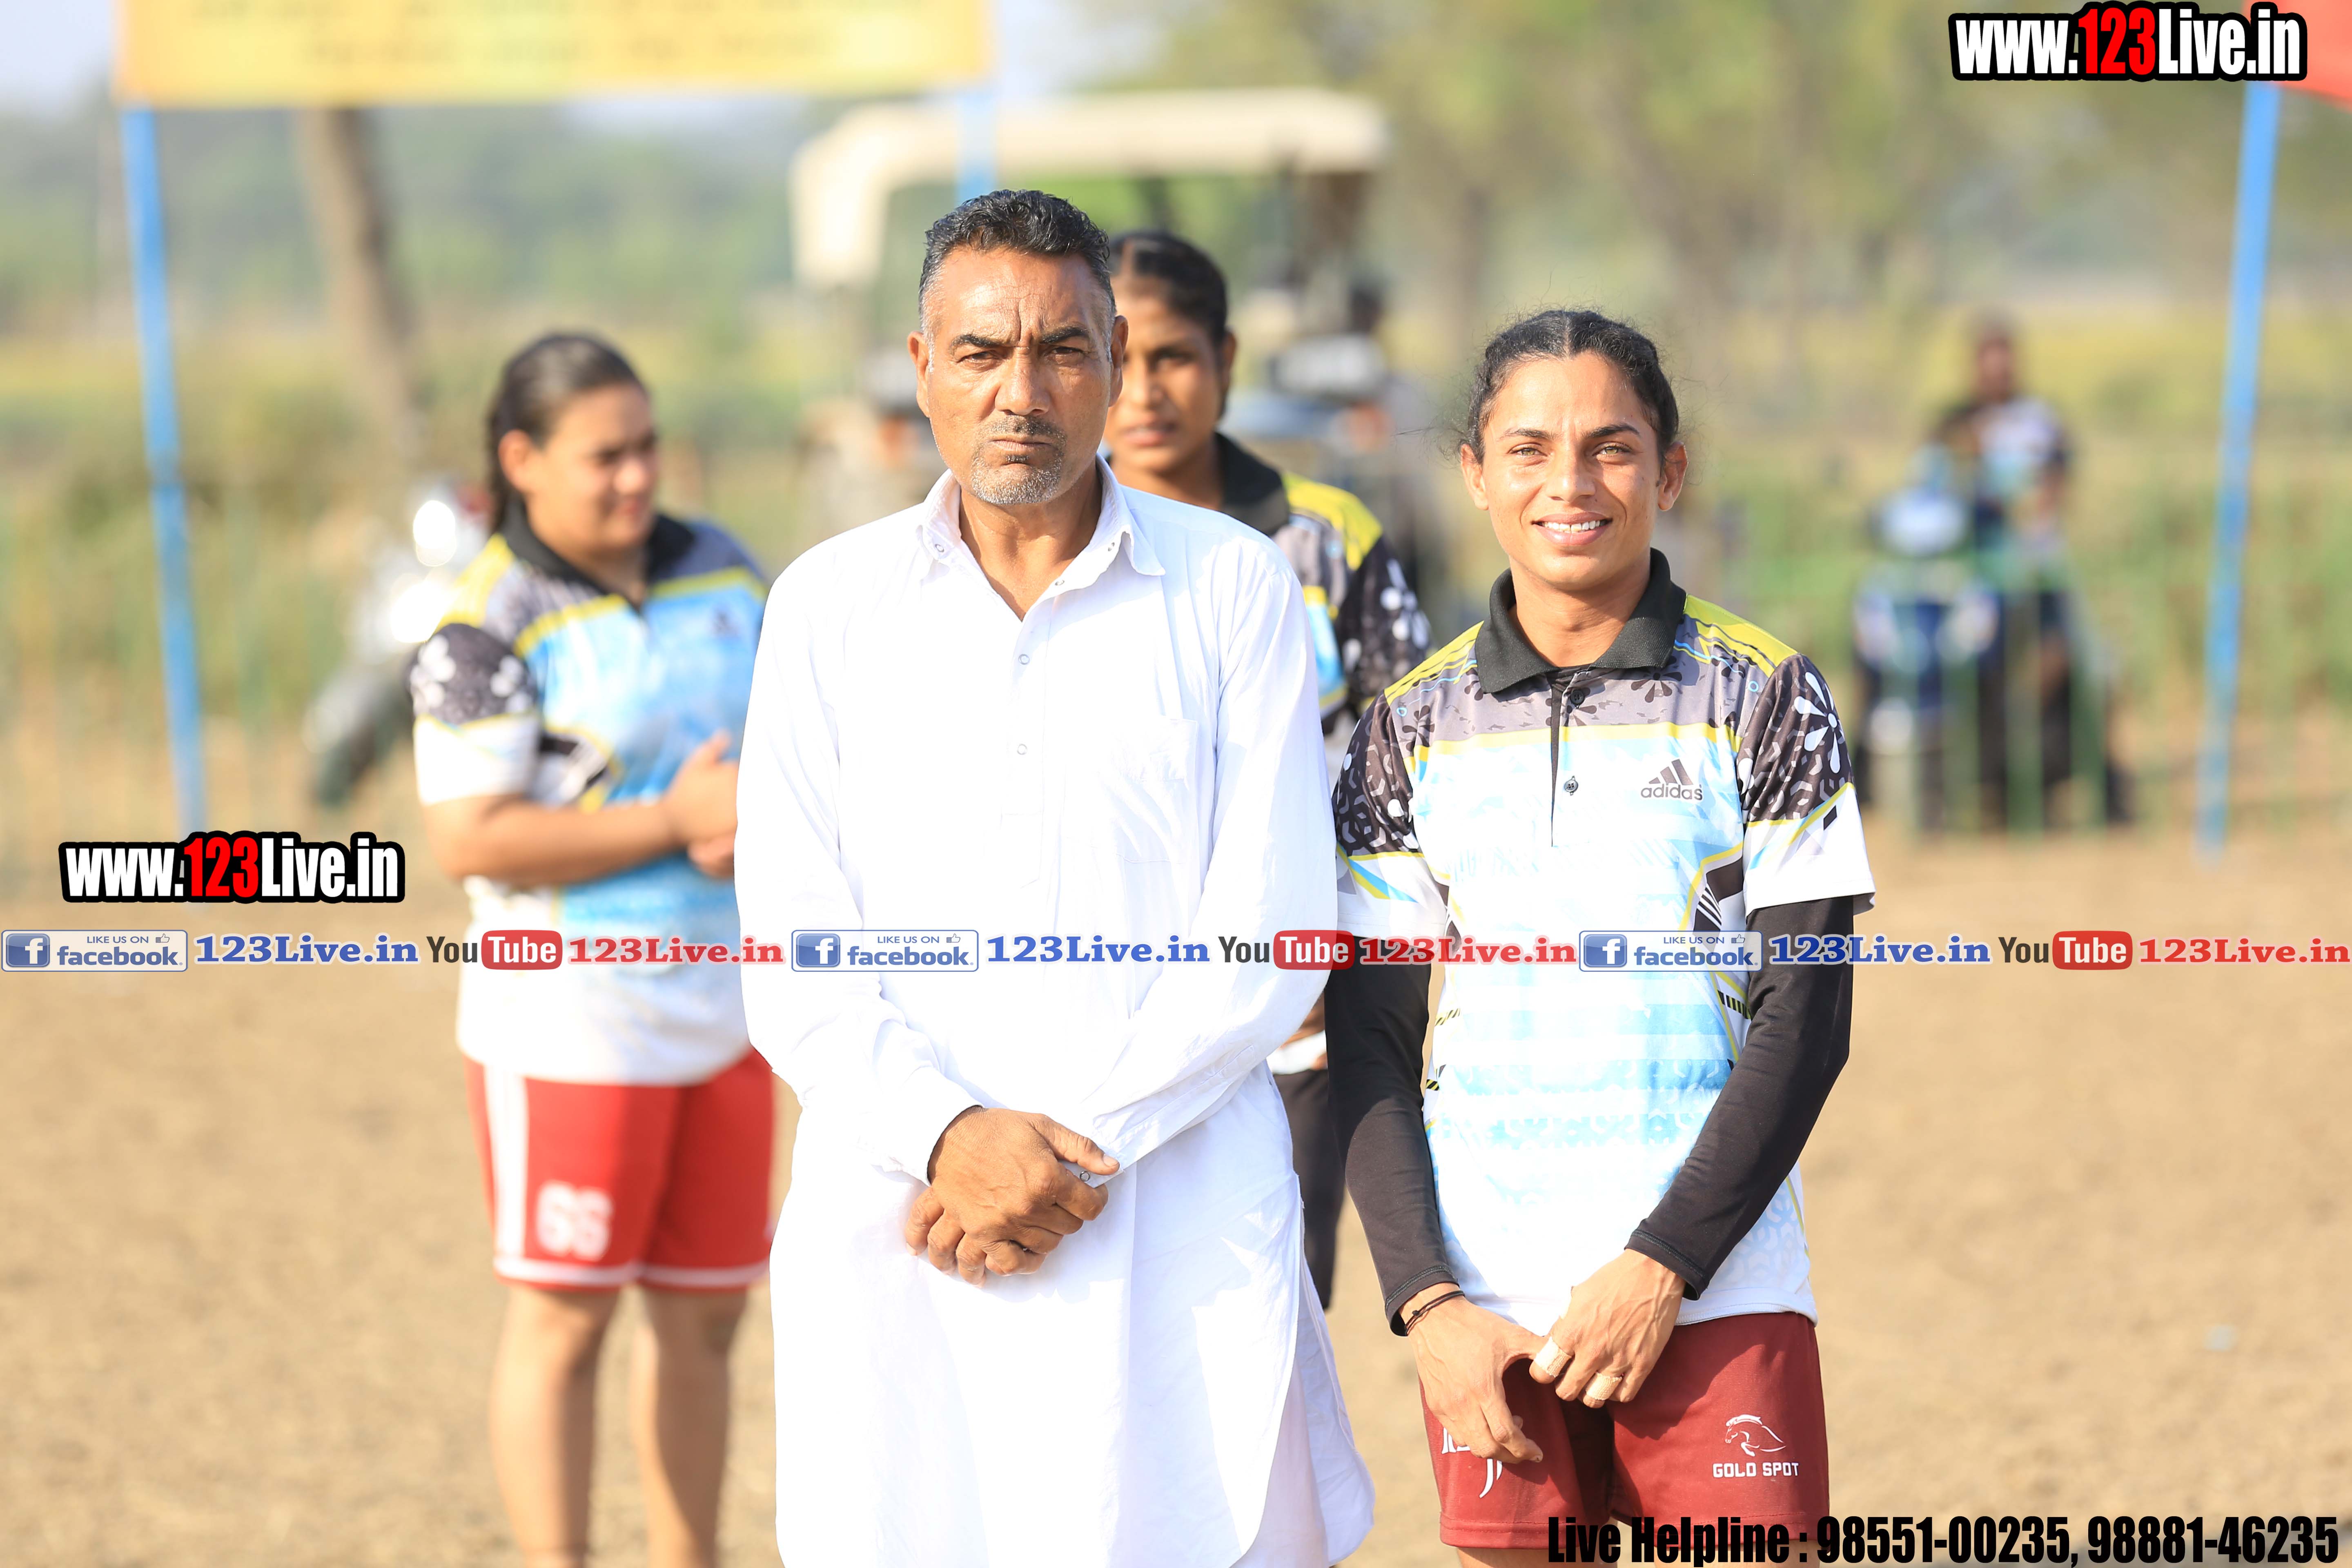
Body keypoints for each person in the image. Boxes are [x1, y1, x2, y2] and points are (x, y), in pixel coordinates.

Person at [734, 189, 1373, 1568]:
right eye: (981, 352)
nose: (1020, 392)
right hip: (907, 1221)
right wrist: (950, 1139)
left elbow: (1271, 932)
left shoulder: (1235, 587)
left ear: (1115, 361)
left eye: (1064, 350)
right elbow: (790, 954)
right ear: (922, 368)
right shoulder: (826, 608)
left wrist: (1064, 1155)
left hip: (1172, 1212)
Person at [1325, 309, 1875, 1564]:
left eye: (1610, 448)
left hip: (1717, 1290)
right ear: (1475, 473)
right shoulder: (1406, 727)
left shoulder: (1769, 694)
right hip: (1488, 1308)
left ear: (1670, 471)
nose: (1568, 483)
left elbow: (1809, 1019)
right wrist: (1428, 1304)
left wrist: (1663, 1266)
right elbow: (1367, 1040)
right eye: (1527, 449)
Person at [409, 332, 772, 1568]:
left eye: (648, 447)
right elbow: (470, 837)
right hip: (572, 1024)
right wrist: (675, 821)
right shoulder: (483, 623)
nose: (638, 477)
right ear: (521, 460)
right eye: (605, 456)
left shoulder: (726, 570)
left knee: (705, 1320)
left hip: (729, 1014)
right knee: (565, 1322)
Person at [1102, 228, 1429, 1312]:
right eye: (1120, 358)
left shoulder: (1325, 540)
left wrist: (1331, 956)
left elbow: (1408, 757)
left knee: (1277, 1288)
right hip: (1112, 983)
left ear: (1227, 358)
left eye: (1175, 357)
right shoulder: (1055, 539)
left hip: (1297, 993)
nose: (1146, 392)